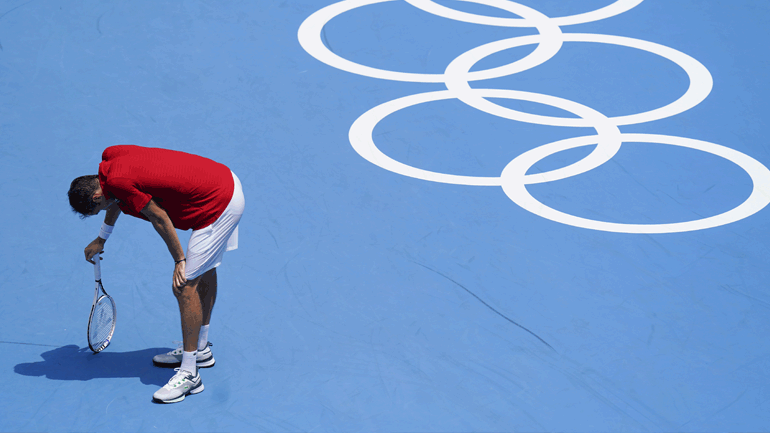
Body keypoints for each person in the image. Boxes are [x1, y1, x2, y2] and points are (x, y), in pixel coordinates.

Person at [68, 145, 245, 403]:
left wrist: (179, 260)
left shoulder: (116, 185)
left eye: (98, 210)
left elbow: (160, 218)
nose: (103, 211)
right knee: (204, 271)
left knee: (184, 286)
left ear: (96, 197)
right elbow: (119, 198)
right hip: (223, 179)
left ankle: (189, 374)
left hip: (218, 203)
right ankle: (200, 349)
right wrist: (102, 238)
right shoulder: (110, 162)